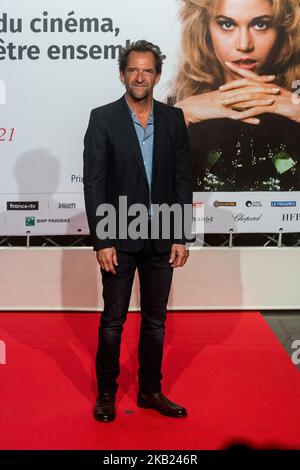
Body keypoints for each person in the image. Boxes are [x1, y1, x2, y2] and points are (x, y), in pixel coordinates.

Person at [83, 40, 194, 422]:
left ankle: (150, 391)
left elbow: (183, 180)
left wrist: (181, 234)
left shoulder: (174, 119)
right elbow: (94, 184)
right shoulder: (102, 119)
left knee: (156, 321)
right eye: (133, 70)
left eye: (147, 70)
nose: (140, 77)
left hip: (163, 235)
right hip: (117, 235)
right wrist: (103, 240)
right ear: (122, 74)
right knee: (113, 320)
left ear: (157, 76)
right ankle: (107, 395)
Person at [172, 0, 300, 191]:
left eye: (260, 24)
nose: (244, 45)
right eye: (227, 24)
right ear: (205, 29)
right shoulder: (178, 104)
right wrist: (180, 116)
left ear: (284, 27)